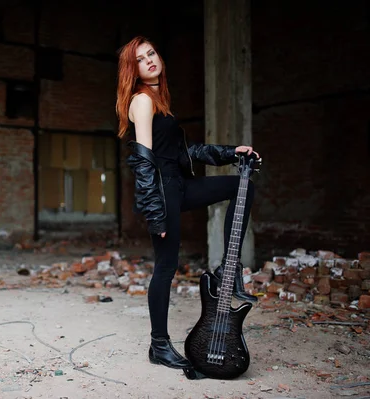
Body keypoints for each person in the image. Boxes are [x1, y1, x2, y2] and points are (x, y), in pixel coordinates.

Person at [116, 36, 260, 370]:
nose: (150, 60)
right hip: (164, 192)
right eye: (140, 59)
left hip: (180, 185)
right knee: (165, 268)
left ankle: (230, 269)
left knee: (242, 186)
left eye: (152, 52)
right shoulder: (141, 101)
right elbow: (144, 161)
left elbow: (185, 152)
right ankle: (159, 345)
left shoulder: (160, 99)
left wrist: (229, 152)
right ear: (132, 70)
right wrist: (156, 215)